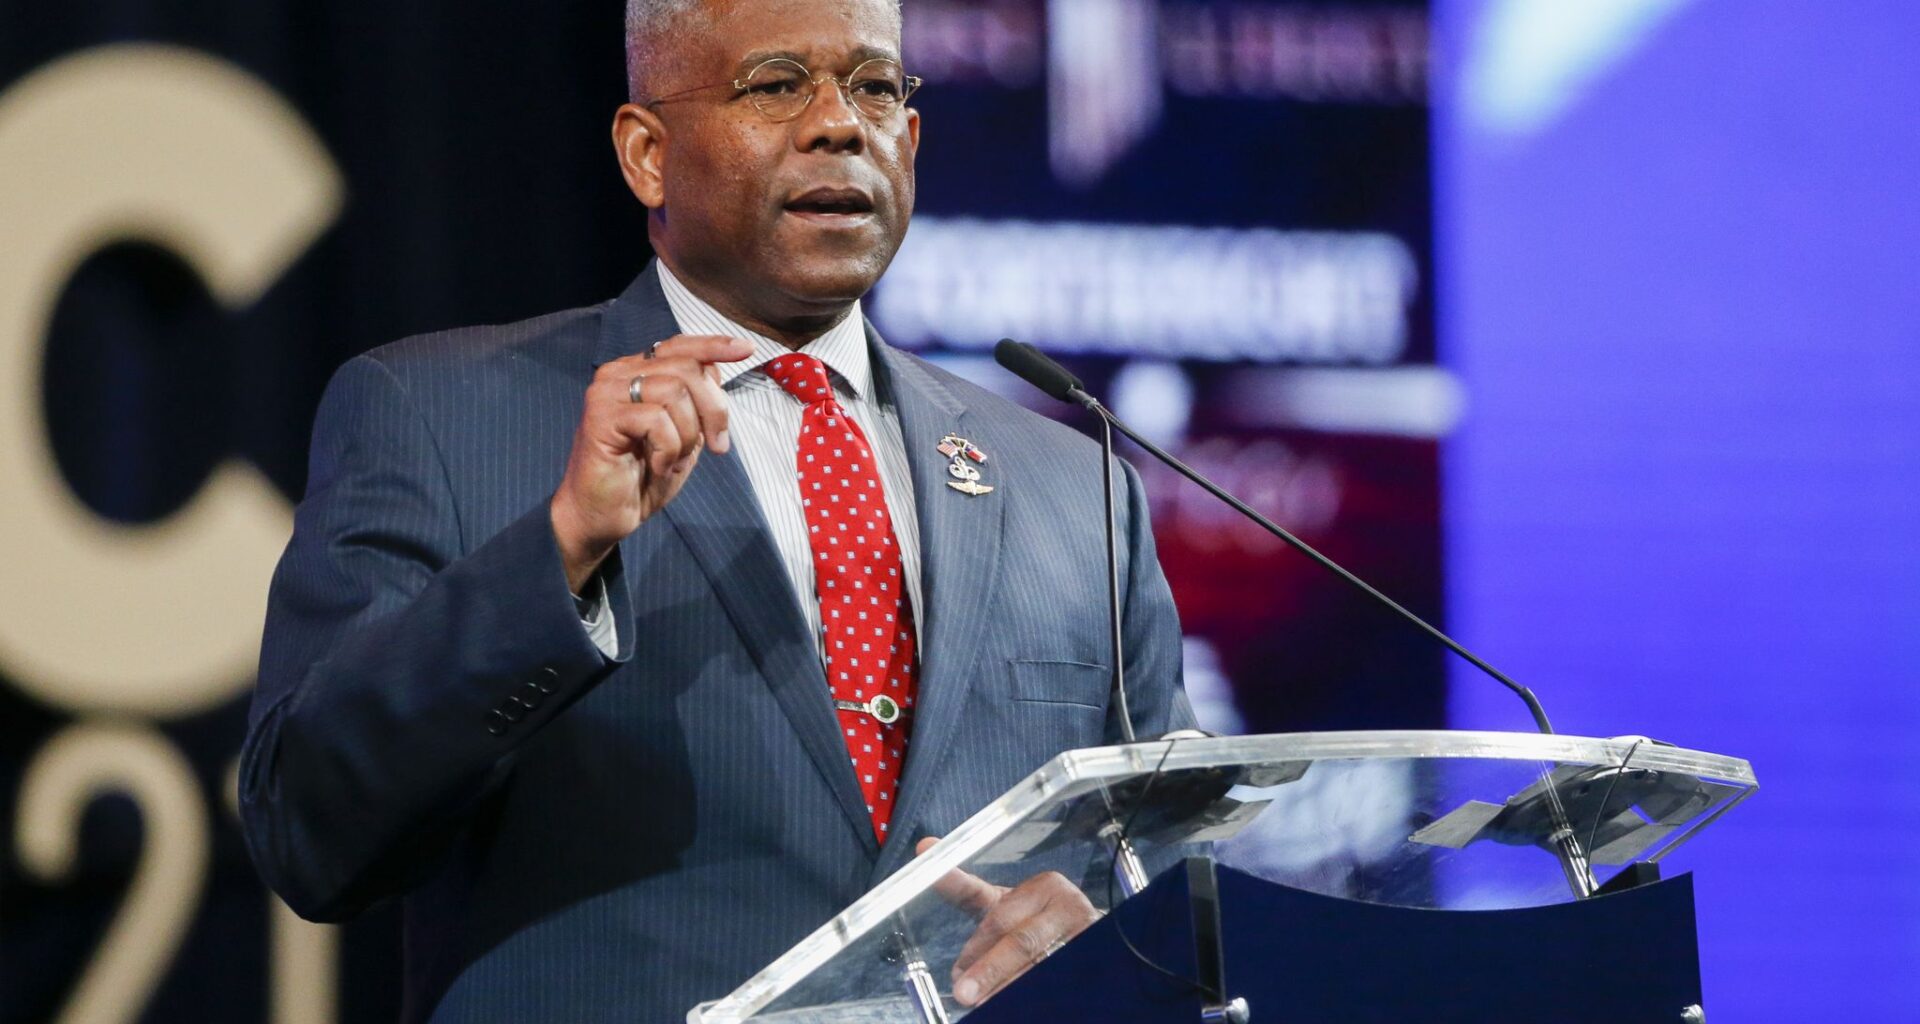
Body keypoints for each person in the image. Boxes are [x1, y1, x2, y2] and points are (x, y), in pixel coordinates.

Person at [239, 0, 1193, 1019]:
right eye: (777, 85)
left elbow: (1170, 872)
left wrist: (1112, 935)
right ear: (647, 153)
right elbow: (311, 828)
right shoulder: (440, 413)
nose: (840, 125)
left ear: (909, 141)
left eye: (875, 87)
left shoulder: (1071, 482)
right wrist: (560, 551)